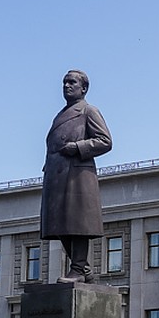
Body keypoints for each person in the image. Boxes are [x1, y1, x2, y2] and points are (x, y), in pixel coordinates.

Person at [40, 70, 113, 283]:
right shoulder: (61, 113)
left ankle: (79, 269)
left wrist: (78, 147)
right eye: (64, 82)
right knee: (60, 225)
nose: (66, 86)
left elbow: (105, 141)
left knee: (76, 224)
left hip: (77, 176)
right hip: (56, 176)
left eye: (72, 82)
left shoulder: (88, 111)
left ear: (84, 88)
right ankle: (84, 270)